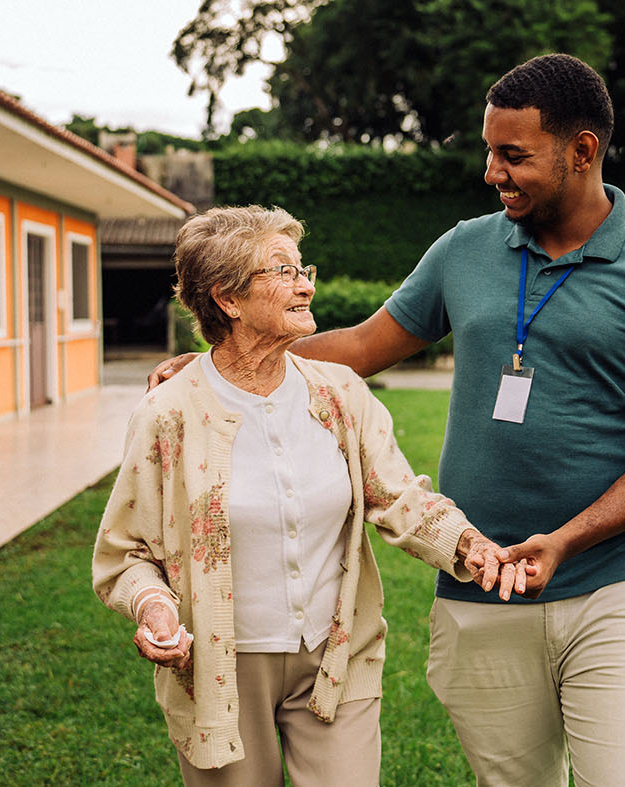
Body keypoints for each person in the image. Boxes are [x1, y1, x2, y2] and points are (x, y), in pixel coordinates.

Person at [150, 54, 625, 786]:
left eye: (513, 155)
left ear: (583, 152)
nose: (491, 171)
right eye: (489, 150)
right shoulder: (464, 249)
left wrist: (566, 542)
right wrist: (225, 358)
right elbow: (359, 347)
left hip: (619, 584)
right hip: (479, 582)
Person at [94, 205, 528, 786]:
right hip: (220, 664)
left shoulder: (341, 395)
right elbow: (125, 555)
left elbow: (399, 497)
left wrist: (468, 545)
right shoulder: (169, 412)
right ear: (228, 298)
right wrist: (155, 609)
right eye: (282, 271)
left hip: (337, 651)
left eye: (303, 268)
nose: (305, 285)